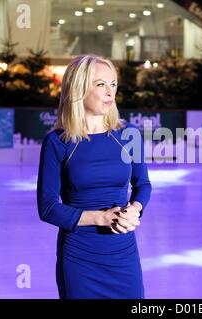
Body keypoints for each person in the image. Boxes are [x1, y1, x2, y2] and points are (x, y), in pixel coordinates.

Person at [36, 54, 152, 299]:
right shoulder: (58, 142)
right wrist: (100, 218)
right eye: (101, 84)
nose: (110, 92)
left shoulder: (129, 134)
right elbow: (47, 208)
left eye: (113, 84)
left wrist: (135, 209)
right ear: (79, 88)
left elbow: (142, 184)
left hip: (123, 254)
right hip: (80, 258)